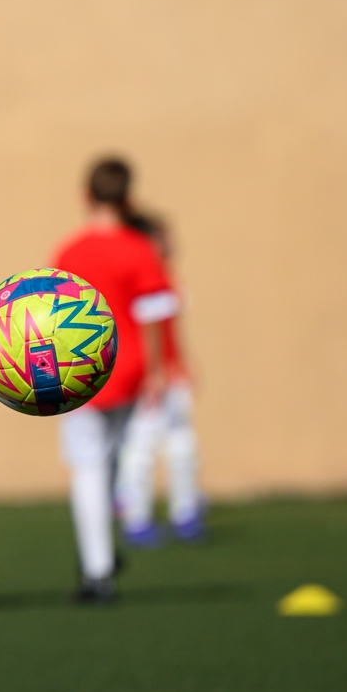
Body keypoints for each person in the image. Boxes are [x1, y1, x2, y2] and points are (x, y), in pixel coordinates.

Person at [50, 158, 179, 601]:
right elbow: (154, 314)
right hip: (130, 369)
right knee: (110, 462)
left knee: (88, 466)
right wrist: (157, 370)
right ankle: (102, 553)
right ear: (128, 199)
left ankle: (97, 570)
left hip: (80, 371)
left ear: (86, 197)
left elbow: (50, 317)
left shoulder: (70, 252)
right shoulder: (140, 249)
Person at [114, 211, 205, 544]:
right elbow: (145, 329)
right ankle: (136, 516)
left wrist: (180, 363)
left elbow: (170, 330)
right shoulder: (142, 279)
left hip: (169, 372)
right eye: (161, 236)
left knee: (182, 443)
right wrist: (155, 371)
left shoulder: (166, 276)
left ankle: (186, 511)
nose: (169, 243)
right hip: (150, 374)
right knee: (141, 445)